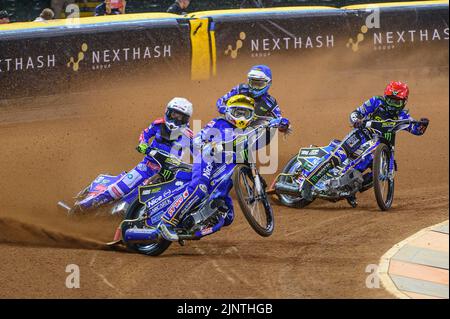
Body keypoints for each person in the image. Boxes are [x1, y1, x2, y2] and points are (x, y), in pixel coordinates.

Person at [154, 95, 285, 241]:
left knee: (227, 216)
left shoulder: (249, 127)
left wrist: (281, 124)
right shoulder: (219, 123)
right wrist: (212, 145)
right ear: (229, 111)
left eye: (245, 113)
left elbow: (266, 126)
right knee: (199, 188)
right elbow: (197, 140)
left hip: (224, 167)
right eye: (237, 112)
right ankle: (167, 221)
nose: (241, 117)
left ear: (251, 115)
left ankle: (193, 223)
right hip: (207, 159)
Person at [301, 81, 430, 205]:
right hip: (362, 134)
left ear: (404, 102)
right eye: (390, 100)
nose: (392, 105)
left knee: (379, 172)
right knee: (338, 156)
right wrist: (356, 120)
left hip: (380, 145)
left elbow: (416, 130)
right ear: (385, 97)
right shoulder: (376, 101)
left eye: (397, 102)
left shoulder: (403, 116)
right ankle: (308, 182)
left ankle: (349, 190)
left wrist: (423, 125)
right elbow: (355, 113)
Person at [75, 98, 194, 210]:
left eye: (180, 117)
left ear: (186, 120)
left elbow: (200, 154)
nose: (175, 119)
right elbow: (145, 133)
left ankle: (123, 215)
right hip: (146, 165)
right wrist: (143, 143)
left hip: (165, 174)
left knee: (139, 198)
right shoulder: (158, 124)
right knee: (119, 189)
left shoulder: (189, 136)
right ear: (168, 112)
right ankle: (84, 206)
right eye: (173, 114)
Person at [216, 65, 290, 132]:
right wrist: (221, 107)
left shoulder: (270, 102)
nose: (255, 87)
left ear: (268, 83)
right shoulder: (241, 89)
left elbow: (280, 120)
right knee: (216, 123)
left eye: (259, 84)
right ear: (248, 81)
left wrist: (283, 124)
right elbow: (221, 100)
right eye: (253, 83)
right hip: (231, 124)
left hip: (250, 133)